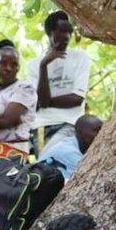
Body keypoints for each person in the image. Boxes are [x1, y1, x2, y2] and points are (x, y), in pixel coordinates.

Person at [30, 11, 91, 153]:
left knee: (59, 164)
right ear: (50, 33)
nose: (67, 37)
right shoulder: (34, 64)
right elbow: (38, 101)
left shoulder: (81, 57)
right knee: (46, 170)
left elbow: (76, 99)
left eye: (70, 32)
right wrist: (44, 66)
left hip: (70, 125)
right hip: (42, 127)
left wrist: (46, 102)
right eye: (62, 32)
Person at [0, 40, 36, 159]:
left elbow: (8, 120)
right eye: (3, 63)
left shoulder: (24, 88)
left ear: (18, 68)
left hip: (12, 153)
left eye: (13, 64)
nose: (8, 68)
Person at [40, 114, 103, 179]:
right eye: (96, 130)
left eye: (102, 129)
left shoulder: (80, 144)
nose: (102, 133)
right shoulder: (68, 152)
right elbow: (96, 176)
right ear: (80, 132)